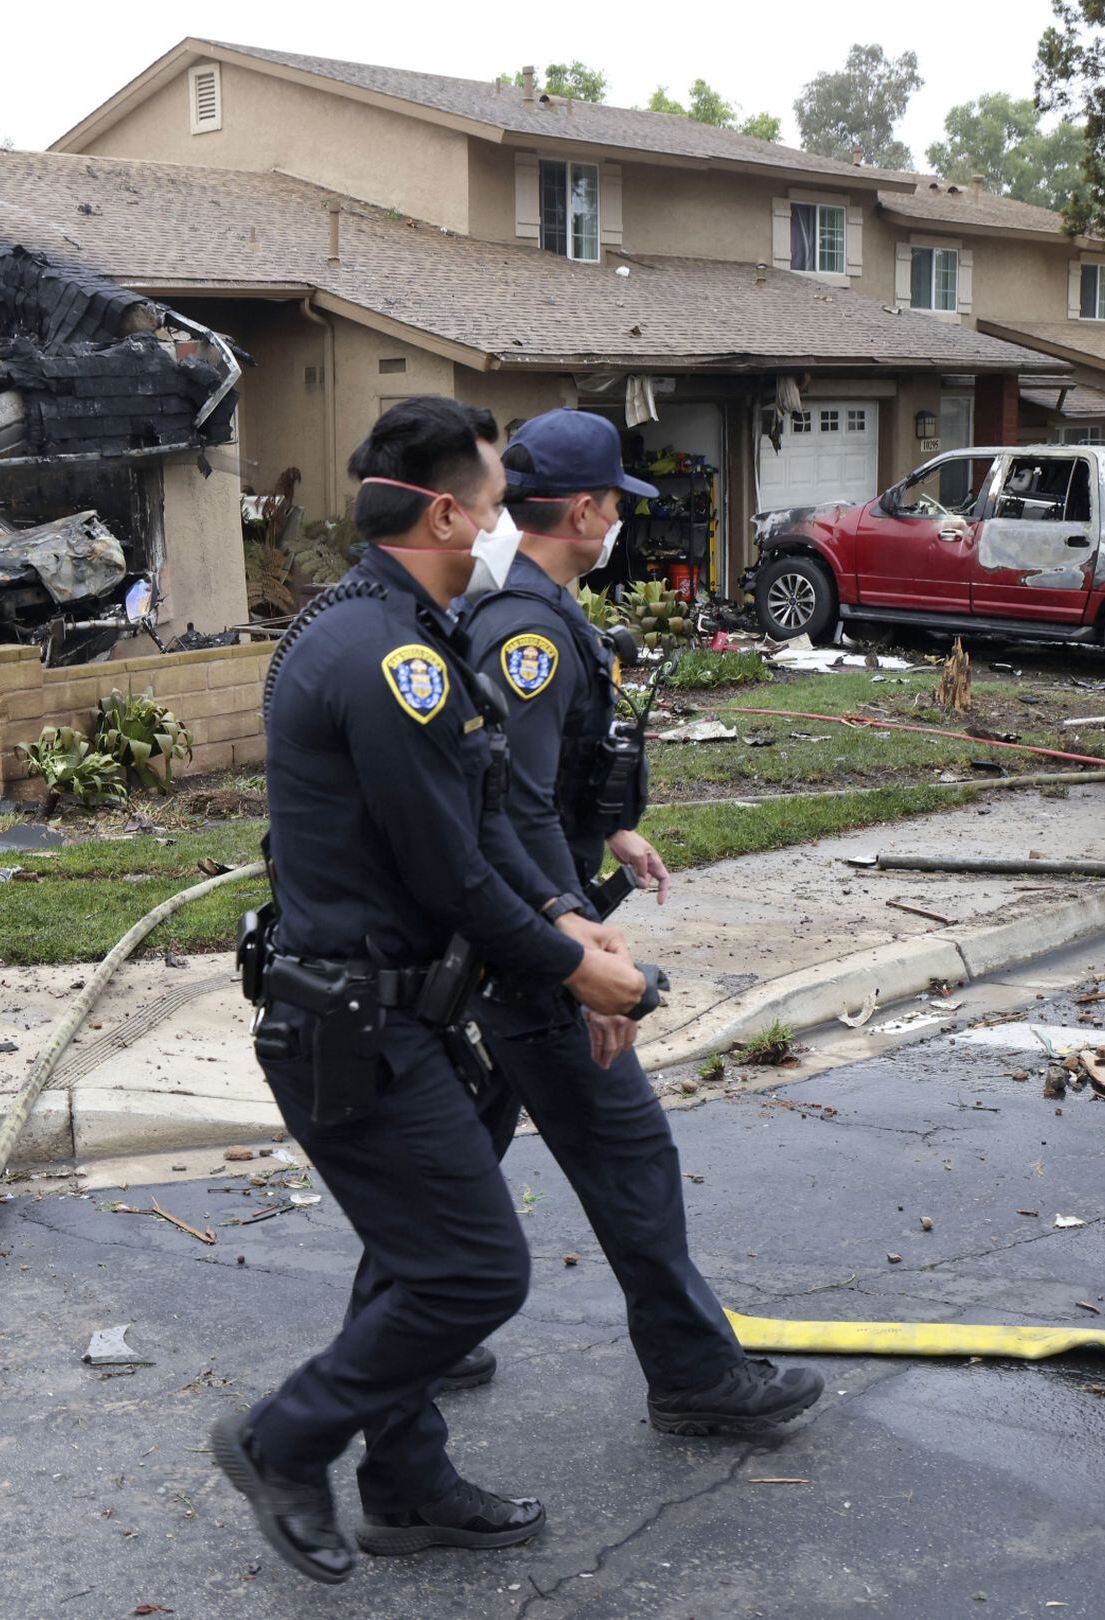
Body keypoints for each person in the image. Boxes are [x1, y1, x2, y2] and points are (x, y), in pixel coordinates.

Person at [212, 397, 652, 1586]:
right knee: (472, 1270)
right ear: (449, 512)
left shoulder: (416, 630)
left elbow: (489, 820)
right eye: (501, 507)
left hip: (403, 1013)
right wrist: (578, 970)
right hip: (349, 1024)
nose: (509, 529)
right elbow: (448, 871)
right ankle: (281, 1437)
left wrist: (565, 918)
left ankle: (404, 1486)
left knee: (419, 1259)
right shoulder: (383, 655)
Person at [457, 407, 825, 1437]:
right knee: (630, 1158)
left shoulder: (533, 612)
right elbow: (508, 805)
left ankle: (414, 1332)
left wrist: (609, 832)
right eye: (617, 500)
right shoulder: (528, 629)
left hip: (515, 926)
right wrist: (577, 936)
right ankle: (697, 1376)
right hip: (535, 943)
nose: (622, 516)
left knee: (464, 1147)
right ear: (581, 510)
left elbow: (536, 782)